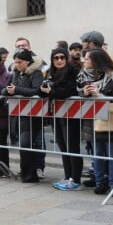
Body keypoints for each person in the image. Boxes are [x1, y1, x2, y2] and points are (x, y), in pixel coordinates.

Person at [40, 48, 82, 190]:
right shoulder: (51, 73)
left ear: (66, 59)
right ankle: (67, 176)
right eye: (56, 58)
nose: (59, 60)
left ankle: (75, 179)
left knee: (72, 147)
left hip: (71, 115)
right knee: (63, 146)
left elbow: (69, 91)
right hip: (56, 115)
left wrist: (51, 92)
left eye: (62, 58)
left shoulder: (73, 71)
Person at [2, 49, 44, 183]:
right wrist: (8, 91)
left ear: (27, 61)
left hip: (31, 115)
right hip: (17, 114)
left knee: (26, 144)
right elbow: (4, 89)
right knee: (22, 145)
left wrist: (17, 90)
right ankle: (24, 171)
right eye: (15, 62)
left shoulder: (36, 73)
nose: (17, 65)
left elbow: (36, 90)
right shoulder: (15, 73)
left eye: (20, 62)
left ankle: (31, 173)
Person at [78, 48, 113, 195]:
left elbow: (112, 95)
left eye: (87, 59)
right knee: (97, 153)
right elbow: (78, 90)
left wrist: (98, 94)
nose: (84, 61)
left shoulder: (112, 77)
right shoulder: (86, 76)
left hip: (111, 121)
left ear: (96, 61)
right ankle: (100, 184)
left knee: (112, 155)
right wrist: (84, 92)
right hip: (93, 121)